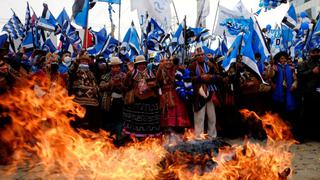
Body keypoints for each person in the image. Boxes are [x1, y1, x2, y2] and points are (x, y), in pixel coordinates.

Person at [122, 55, 161, 137]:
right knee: (136, 120)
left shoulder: (151, 73)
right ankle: (136, 137)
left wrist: (150, 86)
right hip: (136, 100)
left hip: (149, 101)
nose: (141, 66)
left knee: (149, 120)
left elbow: (156, 85)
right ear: (136, 65)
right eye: (139, 64)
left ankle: (149, 137)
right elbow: (126, 85)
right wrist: (129, 75)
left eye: (143, 64)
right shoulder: (132, 73)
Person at [188, 47, 218, 140]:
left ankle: (212, 136)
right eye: (198, 55)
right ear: (195, 56)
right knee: (199, 117)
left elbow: (217, 75)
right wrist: (200, 78)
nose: (201, 56)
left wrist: (210, 77)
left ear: (204, 55)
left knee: (212, 116)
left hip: (210, 92)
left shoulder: (209, 64)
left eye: (202, 55)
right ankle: (199, 136)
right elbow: (189, 78)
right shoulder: (192, 66)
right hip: (198, 94)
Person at [156, 56, 190, 133]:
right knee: (166, 114)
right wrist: (160, 68)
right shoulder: (160, 70)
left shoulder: (177, 69)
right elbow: (157, 81)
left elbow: (183, 77)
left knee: (178, 112)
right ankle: (168, 133)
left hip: (175, 93)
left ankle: (178, 132)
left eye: (170, 60)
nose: (168, 62)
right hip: (165, 94)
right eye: (166, 60)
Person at [68, 53, 100, 131]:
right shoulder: (75, 71)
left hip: (91, 102)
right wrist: (76, 61)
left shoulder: (91, 73)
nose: (84, 62)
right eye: (82, 61)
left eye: (86, 61)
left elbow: (95, 83)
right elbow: (70, 71)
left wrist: (96, 90)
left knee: (90, 122)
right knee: (78, 120)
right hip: (79, 100)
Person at [99, 57, 126, 140]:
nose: (115, 68)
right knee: (109, 119)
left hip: (121, 101)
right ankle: (108, 138)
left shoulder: (124, 76)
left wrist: (120, 85)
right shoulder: (105, 76)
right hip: (109, 101)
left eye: (117, 66)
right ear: (110, 67)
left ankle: (118, 138)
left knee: (120, 120)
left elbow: (127, 88)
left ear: (120, 67)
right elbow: (101, 86)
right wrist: (110, 84)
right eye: (113, 67)